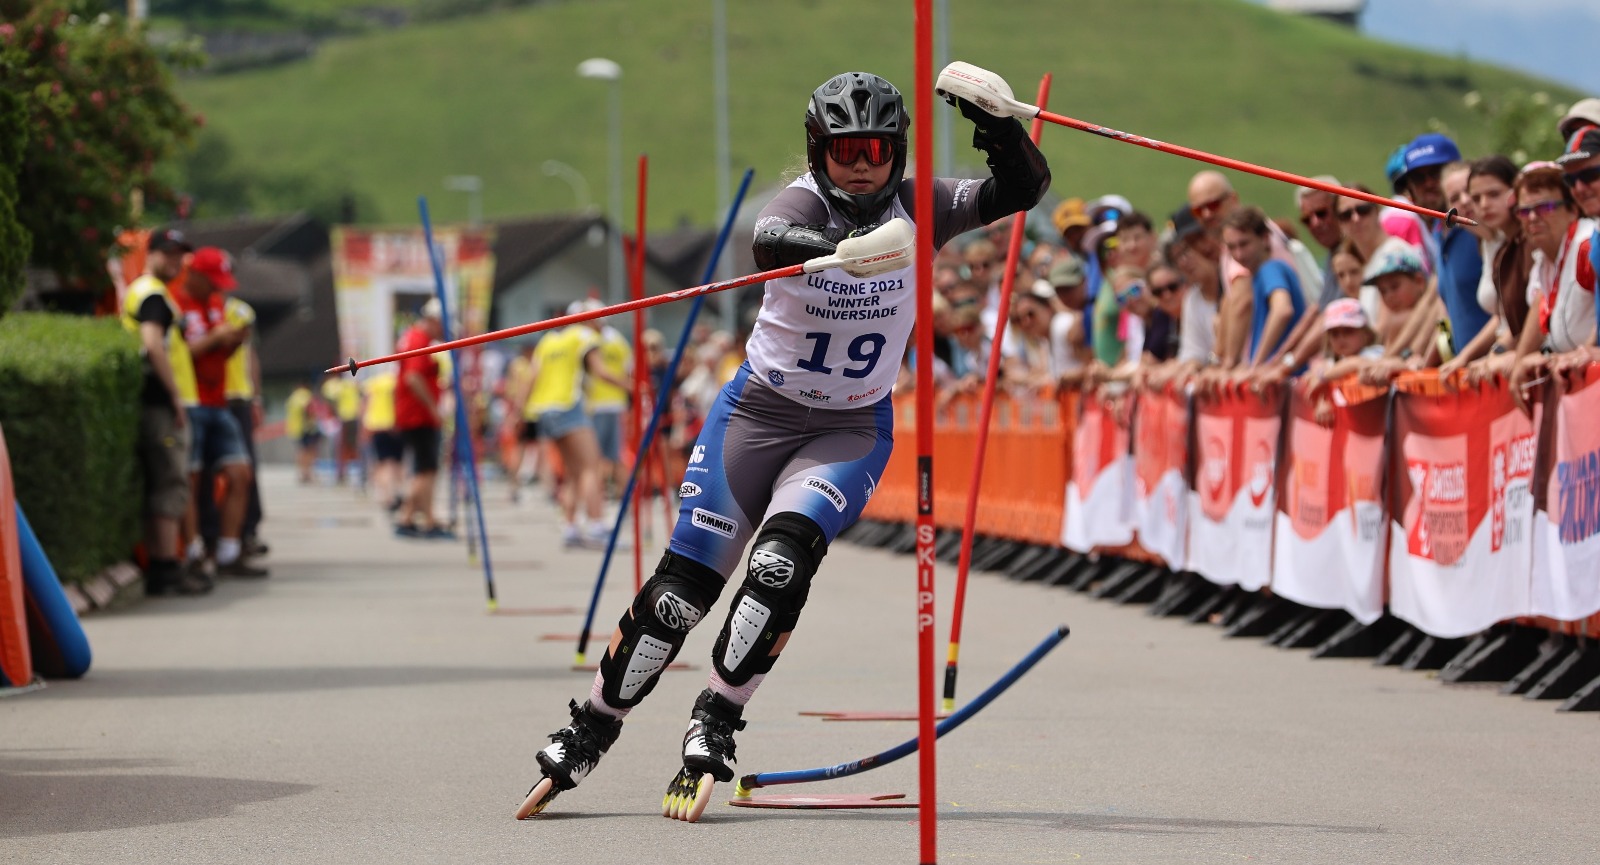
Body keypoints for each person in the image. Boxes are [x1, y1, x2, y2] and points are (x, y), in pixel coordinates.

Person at [519, 68, 1050, 821]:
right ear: (817, 151)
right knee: (679, 597)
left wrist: (997, 127)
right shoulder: (800, 203)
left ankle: (715, 720)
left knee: (779, 563)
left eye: (876, 149)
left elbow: (1023, 189)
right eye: (844, 150)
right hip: (756, 419)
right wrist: (844, 247)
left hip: (848, 429)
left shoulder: (921, 205)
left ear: (897, 151)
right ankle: (592, 727)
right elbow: (771, 240)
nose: (861, 164)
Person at [122, 228, 209, 597]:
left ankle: (164, 565)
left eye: (179, 254)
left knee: (166, 483)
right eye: (168, 253)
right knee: (170, 484)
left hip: (154, 401)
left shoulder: (145, 291)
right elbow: (153, 344)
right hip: (159, 402)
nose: (175, 261)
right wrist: (175, 395)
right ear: (151, 253)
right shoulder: (153, 295)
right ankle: (165, 568)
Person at [172, 247, 268, 579]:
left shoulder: (218, 305)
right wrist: (215, 337)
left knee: (240, 472)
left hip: (219, 402)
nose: (217, 288)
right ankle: (195, 553)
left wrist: (232, 341)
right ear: (195, 274)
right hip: (189, 401)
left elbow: (217, 356)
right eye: (212, 280)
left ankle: (230, 551)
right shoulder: (175, 303)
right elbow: (179, 354)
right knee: (192, 479)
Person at [520, 301, 628, 548]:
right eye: (599, 319)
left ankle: (570, 527)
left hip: (544, 410)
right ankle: (597, 525)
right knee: (591, 466)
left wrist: (519, 412)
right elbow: (601, 371)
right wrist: (633, 386)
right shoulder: (583, 335)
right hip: (569, 406)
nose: (601, 326)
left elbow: (531, 377)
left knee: (574, 471)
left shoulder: (549, 340)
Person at [393, 299, 453, 539]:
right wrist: (433, 408)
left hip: (416, 414)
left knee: (428, 469)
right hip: (418, 415)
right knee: (425, 468)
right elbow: (413, 378)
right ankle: (406, 516)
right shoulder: (418, 339)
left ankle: (428, 518)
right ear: (434, 320)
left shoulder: (416, 338)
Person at [1220, 206, 1305, 366]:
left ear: (1265, 238)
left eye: (1244, 244)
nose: (1238, 254)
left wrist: (1256, 364)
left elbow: (1282, 310)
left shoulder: (1270, 269)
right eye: (1231, 247)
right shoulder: (1258, 276)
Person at [587, 323, 634, 496]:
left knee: (595, 459)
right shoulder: (618, 340)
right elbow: (629, 369)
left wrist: (630, 387)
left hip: (598, 405)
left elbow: (601, 372)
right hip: (616, 404)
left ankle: (598, 499)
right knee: (615, 456)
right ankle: (626, 497)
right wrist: (630, 387)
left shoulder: (590, 339)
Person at [361, 368, 403, 512]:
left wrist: (364, 428)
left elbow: (365, 406)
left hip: (375, 426)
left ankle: (386, 495)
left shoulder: (373, 384)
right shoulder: (395, 382)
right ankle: (393, 494)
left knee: (382, 463)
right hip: (393, 426)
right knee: (394, 463)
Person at [321, 372, 363, 485]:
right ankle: (359, 473)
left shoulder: (336, 385)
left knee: (341, 447)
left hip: (344, 418)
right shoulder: (353, 384)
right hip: (355, 417)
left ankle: (341, 473)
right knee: (355, 446)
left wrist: (334, 413)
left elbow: (329, 399)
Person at [285, 378, 321, 484]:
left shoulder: (292, 398)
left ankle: (301, 473)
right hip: (306, 428)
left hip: (294, 429)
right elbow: (308, 408)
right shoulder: (305, 395)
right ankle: (307, 473)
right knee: (309, 450)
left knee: (301, 451)